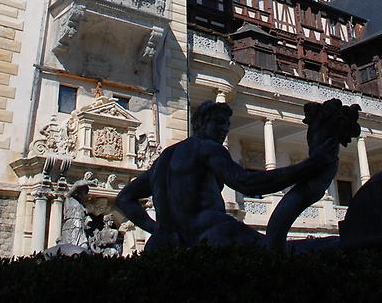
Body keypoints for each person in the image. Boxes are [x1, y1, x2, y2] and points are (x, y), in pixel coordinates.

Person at [116, 100, 343, 249]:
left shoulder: (164, 159)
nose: (224, 128)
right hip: (213, 236)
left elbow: (124, 198)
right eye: (219, 122)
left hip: (165, 244)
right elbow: (247, 182)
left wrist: (158, 229)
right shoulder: (206, 148)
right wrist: (308, 167)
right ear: (201, 123)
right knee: (301, 252)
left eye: (226, 124)